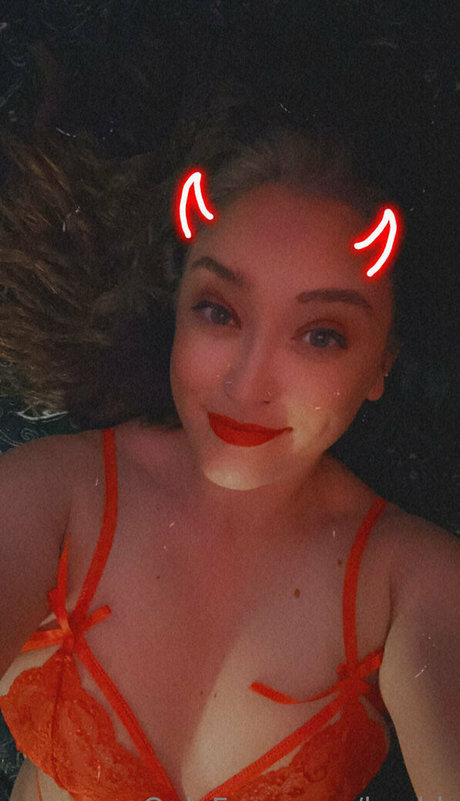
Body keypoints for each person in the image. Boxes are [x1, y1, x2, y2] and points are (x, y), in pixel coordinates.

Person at [0, 89, 459, 801]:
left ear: (382, 366)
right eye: (219, 311)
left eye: (321, 335)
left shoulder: (415, 584)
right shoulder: (50, 495)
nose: (248, 384)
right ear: (177, 310)